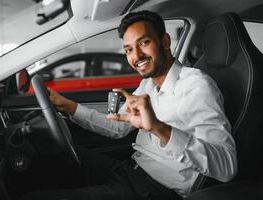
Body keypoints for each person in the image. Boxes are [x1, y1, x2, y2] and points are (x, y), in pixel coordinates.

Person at [23, 10, 237, 200]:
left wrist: (159, 128)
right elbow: (117, 128)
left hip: (156, 190)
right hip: (130, 170)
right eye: (128, 50)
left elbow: (226, 167)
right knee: (46, 152)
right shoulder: (148, 84)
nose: (136, 56)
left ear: (165, 41)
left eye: (144, 43)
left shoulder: (197, 86)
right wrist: (66, 105)